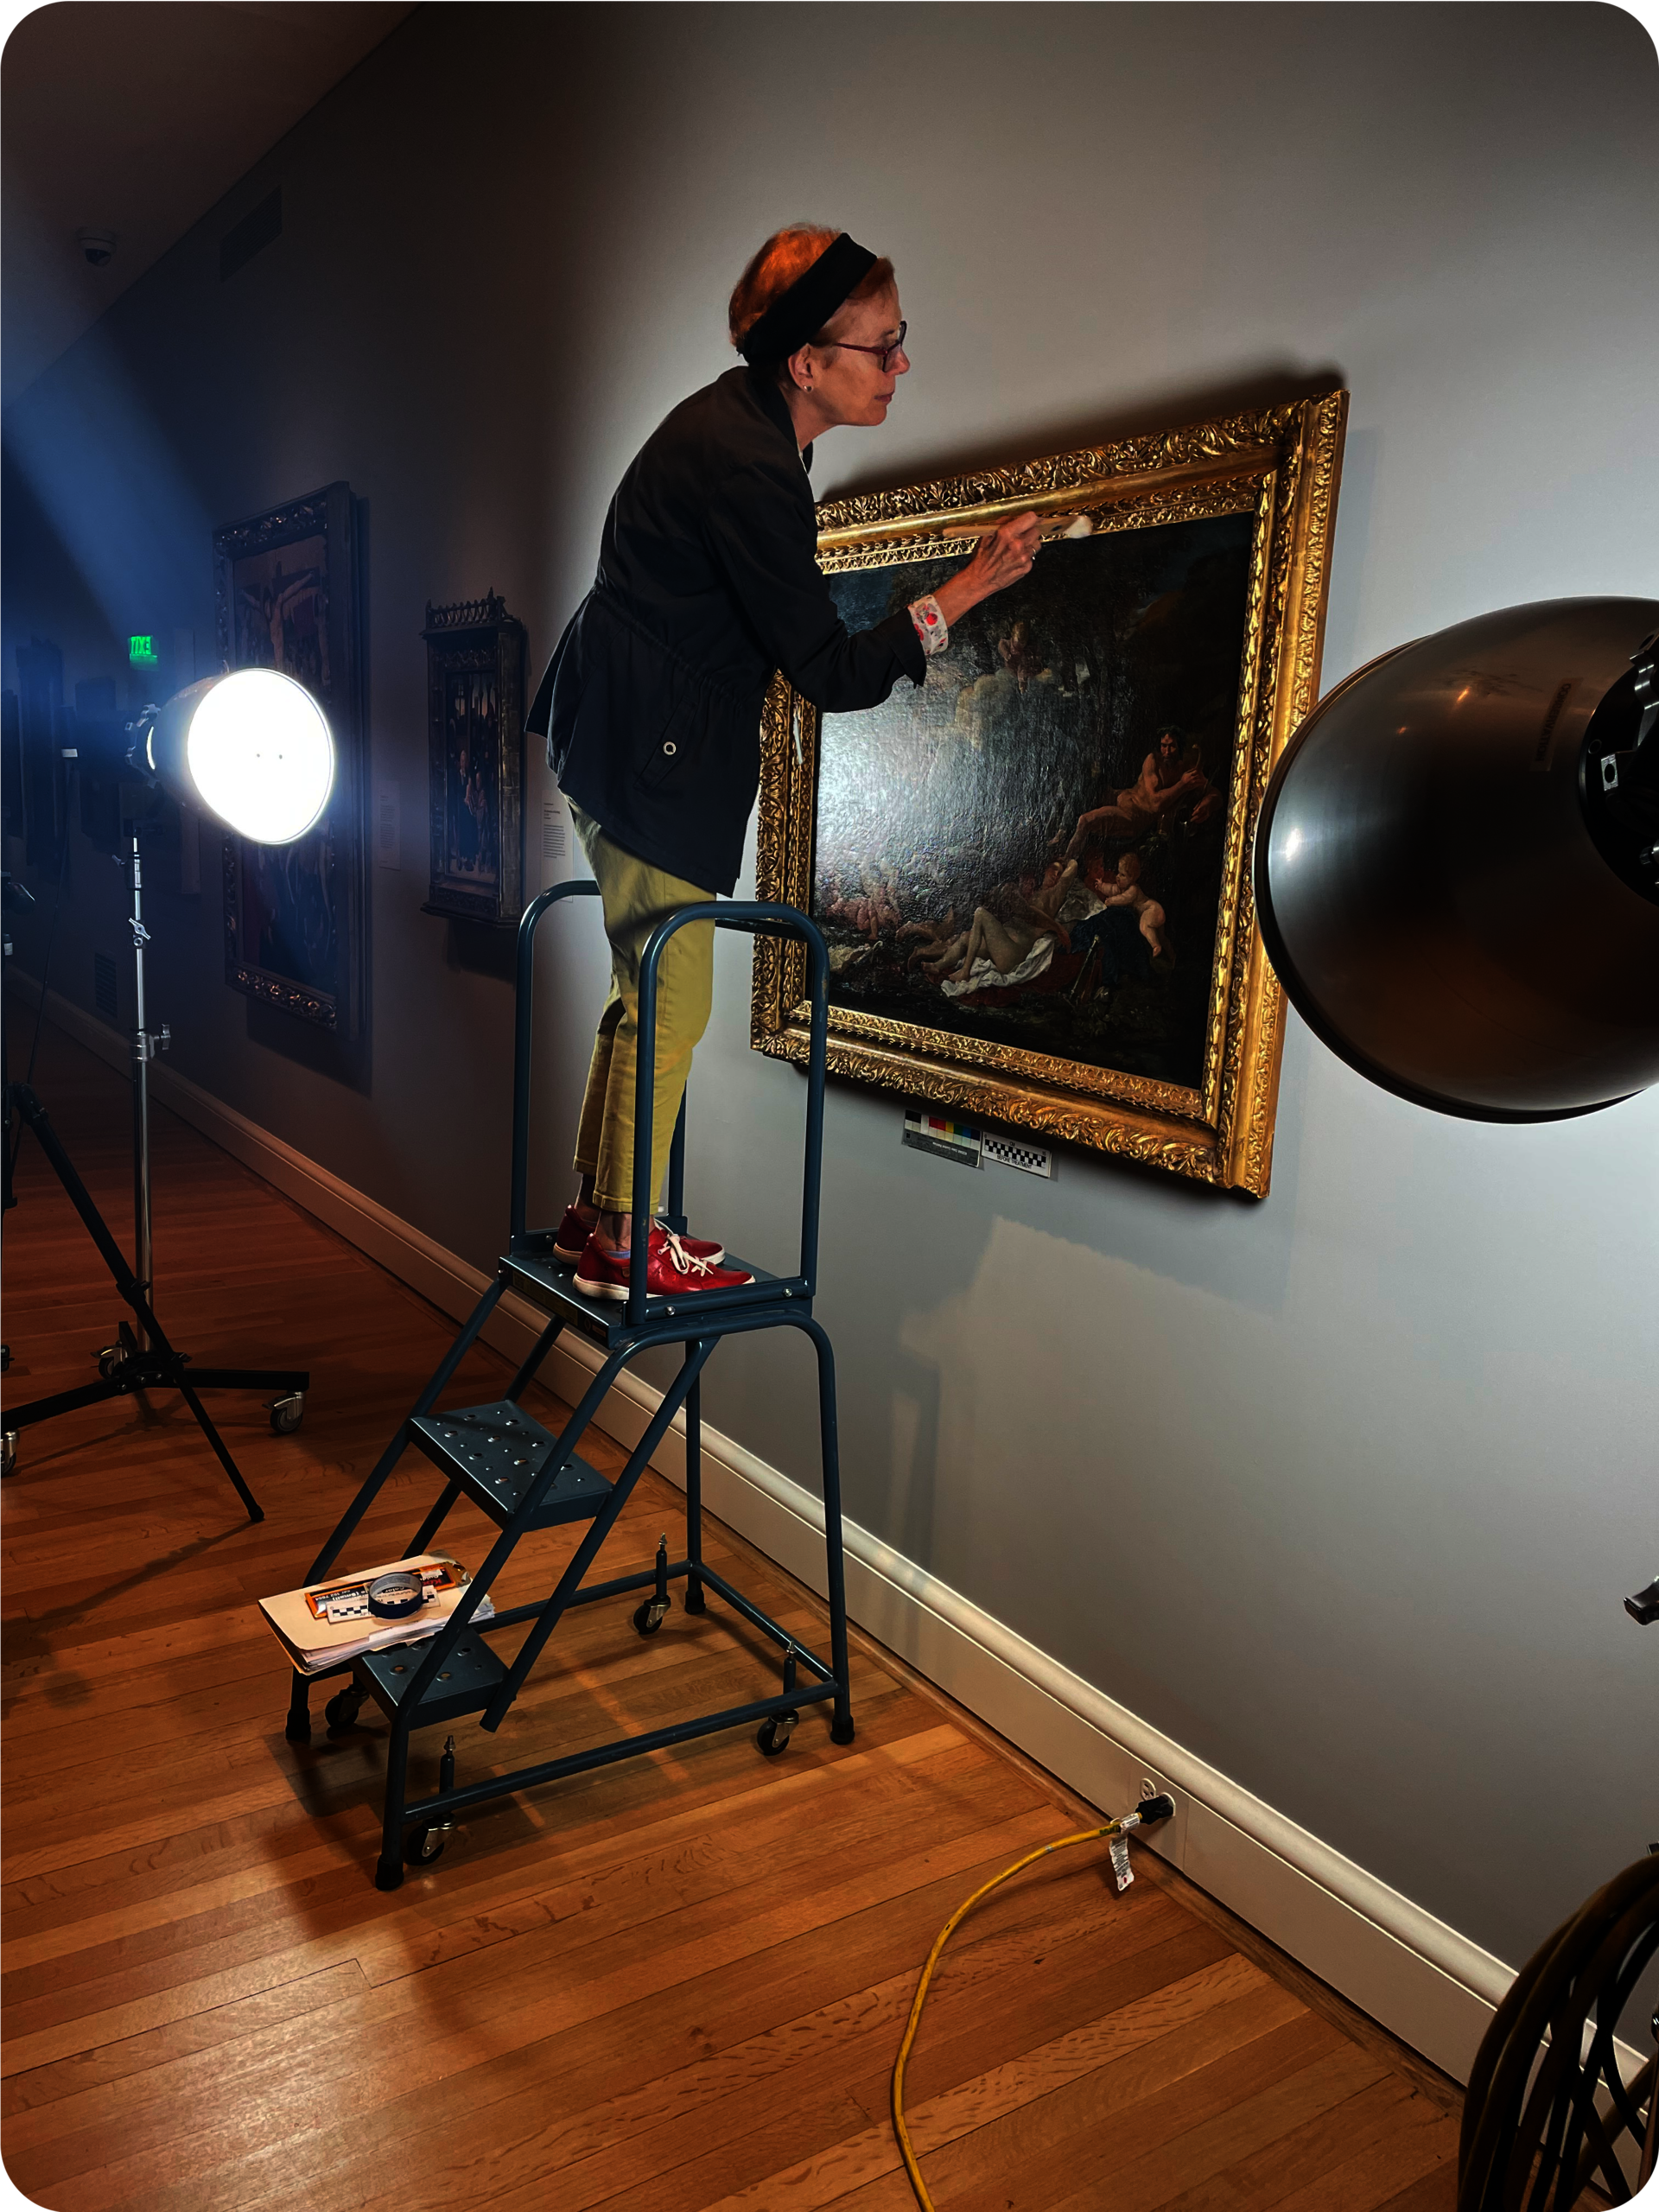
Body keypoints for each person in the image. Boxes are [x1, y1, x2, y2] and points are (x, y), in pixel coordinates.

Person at [525, 226, 1044, 1301]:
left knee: (641, 987)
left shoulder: (749, 423)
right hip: (651, 752)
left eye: (903, 340)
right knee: (673, 1000)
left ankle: (595, 1214)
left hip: (613, 731)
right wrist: (965, 592)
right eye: (883, 346)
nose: (902, 365)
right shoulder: (751, 462)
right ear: (806, 362)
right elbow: (829, 671)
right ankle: (625, 1235)